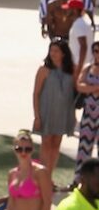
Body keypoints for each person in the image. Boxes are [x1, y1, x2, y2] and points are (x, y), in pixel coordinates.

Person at [33, 39, 78, 178]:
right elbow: (36, 94)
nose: (53, 53)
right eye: (51, 50)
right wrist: (37, 116)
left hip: (63, 112)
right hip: (47, 111)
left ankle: (50, 176)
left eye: (56, 51)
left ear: (64, 53)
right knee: (46, 143)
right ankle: (43, 177)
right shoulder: (44, 70)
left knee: (56, 144)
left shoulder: (72, 70)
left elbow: (75, 93)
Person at [2, 130, 53, 210]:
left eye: (27, 149)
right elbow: (11, 204)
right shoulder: (12, 174)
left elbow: (47, 203)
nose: (23, 152)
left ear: (32, 150)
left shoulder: (40, 172)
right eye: (19, 149)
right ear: (14, 150)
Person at [76, 39, 99, 178]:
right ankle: (80, 178)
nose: (97, 54)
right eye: (95, 51)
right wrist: (95, 88)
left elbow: (85, 87)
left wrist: (89, 88)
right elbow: (79, 86)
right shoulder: (88, 68)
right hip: (89, 112)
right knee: (84, 147)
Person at [65, 0, 94, 76]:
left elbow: (83, 46)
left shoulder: (78, 25)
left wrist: (79, 69)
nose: (66, 10)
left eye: (68, 8)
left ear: (74, 10)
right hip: (83, 64)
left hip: (80, 65)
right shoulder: (81, 23)